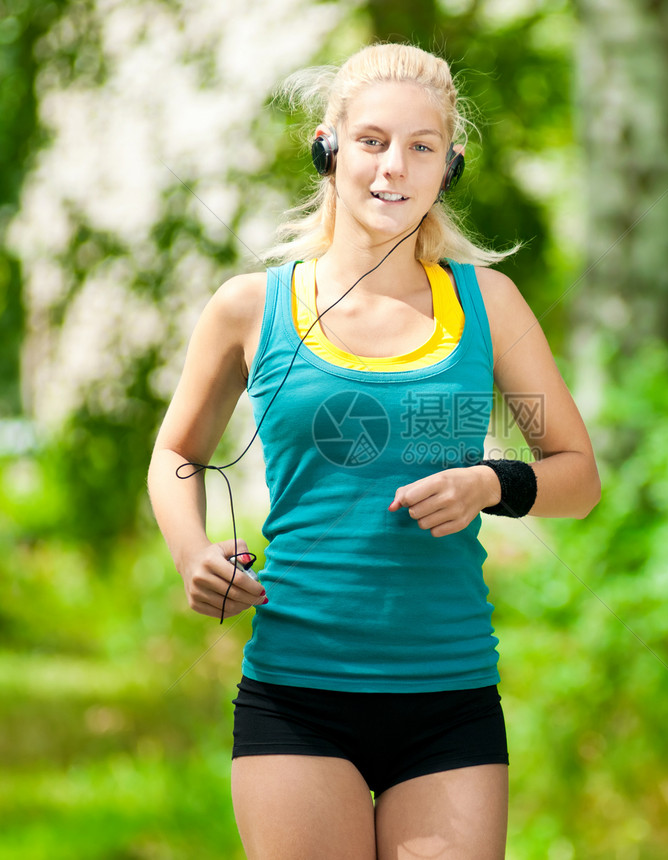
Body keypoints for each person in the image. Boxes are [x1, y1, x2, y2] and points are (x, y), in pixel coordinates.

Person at [148, 42, 600, 860]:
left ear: (449, 166)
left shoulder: (488, 308)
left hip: (450, 695)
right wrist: (190, 554)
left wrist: (489, 484)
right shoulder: (251, 308)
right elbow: (177, 452)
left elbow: (575, 473)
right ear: (328, 147)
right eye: (372, 142)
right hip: (297, 690)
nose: (394, 167)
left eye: (422, 147)